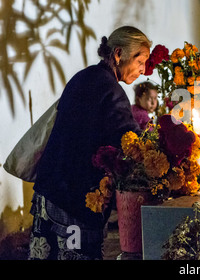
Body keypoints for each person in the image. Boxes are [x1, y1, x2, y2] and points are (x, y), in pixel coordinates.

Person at [29, 26, 151, 260]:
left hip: (50, 190)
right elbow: (131, 141)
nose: (143, 70)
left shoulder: (83, 76)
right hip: (74, 201)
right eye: (140, 60)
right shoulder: (111, 90)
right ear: (118, 54)